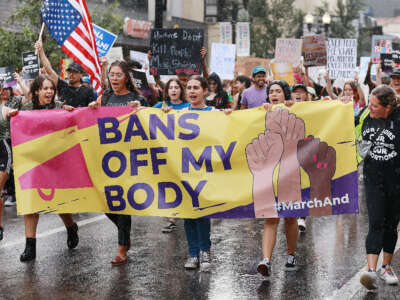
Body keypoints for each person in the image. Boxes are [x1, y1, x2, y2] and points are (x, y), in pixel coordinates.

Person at [89, 60, 148, 266]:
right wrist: (93, 108)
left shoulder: (136, 98)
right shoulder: (105, 96)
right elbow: (94, 118)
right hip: (107, 158)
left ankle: (122, 248)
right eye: (111, 75)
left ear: (126, 77)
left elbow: (151, 121)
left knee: (123, 204)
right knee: (106, 203)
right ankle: (125, 234)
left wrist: (141, 109)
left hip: (129, 159)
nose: (114, 78)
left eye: (118, 75)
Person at [15, 75, 79, 261]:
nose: (49, 91)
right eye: (45, 88)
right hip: (33, 162)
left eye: (51, 88)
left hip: (56, 161)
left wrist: (70, 114)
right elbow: (19, 133)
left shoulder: (60, 107)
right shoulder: (26, 109)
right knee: (31, 202)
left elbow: (71, 131)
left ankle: (71, 227)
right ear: (36, 91)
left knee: (59, 203)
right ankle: (30, 247)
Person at [357, 85, 400, 290]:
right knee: (375, 222)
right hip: (373, 179)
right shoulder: (365, 115)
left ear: (388, 107)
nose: (370, 108)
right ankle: (371, 271)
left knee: (391, 225)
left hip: (397, 181)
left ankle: (386, 267)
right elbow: (338, 120)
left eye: (374, 105)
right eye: (369, 104)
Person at [257, 79, 299, 277]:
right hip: (268, 172)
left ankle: (290, 254)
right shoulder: (260, 112)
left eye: (278, 91)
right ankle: (266, 260)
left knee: (290, 216)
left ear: (285, 95)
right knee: (270, 217)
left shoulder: (296, 109)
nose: (274, 94)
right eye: (271, 91)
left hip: (289, 171)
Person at [154, 78, 189, 233]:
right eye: (171, 88)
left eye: (176, 87)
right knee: (169, 182)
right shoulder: (160, 106)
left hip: (185, 150)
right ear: (166, 91)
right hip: (167, 151)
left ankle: (188, 210)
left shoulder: (188, 106)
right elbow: (143, 114)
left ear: (181, 90)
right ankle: (172, 217)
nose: (174, 90)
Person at [35, 40, 94, 108]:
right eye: (69, 72)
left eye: (74, 72)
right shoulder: (62, 86)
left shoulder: (88, 91)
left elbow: (91, 110)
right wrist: (41, 51)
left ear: (81, 75)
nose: (71, 74)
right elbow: (49, 70)